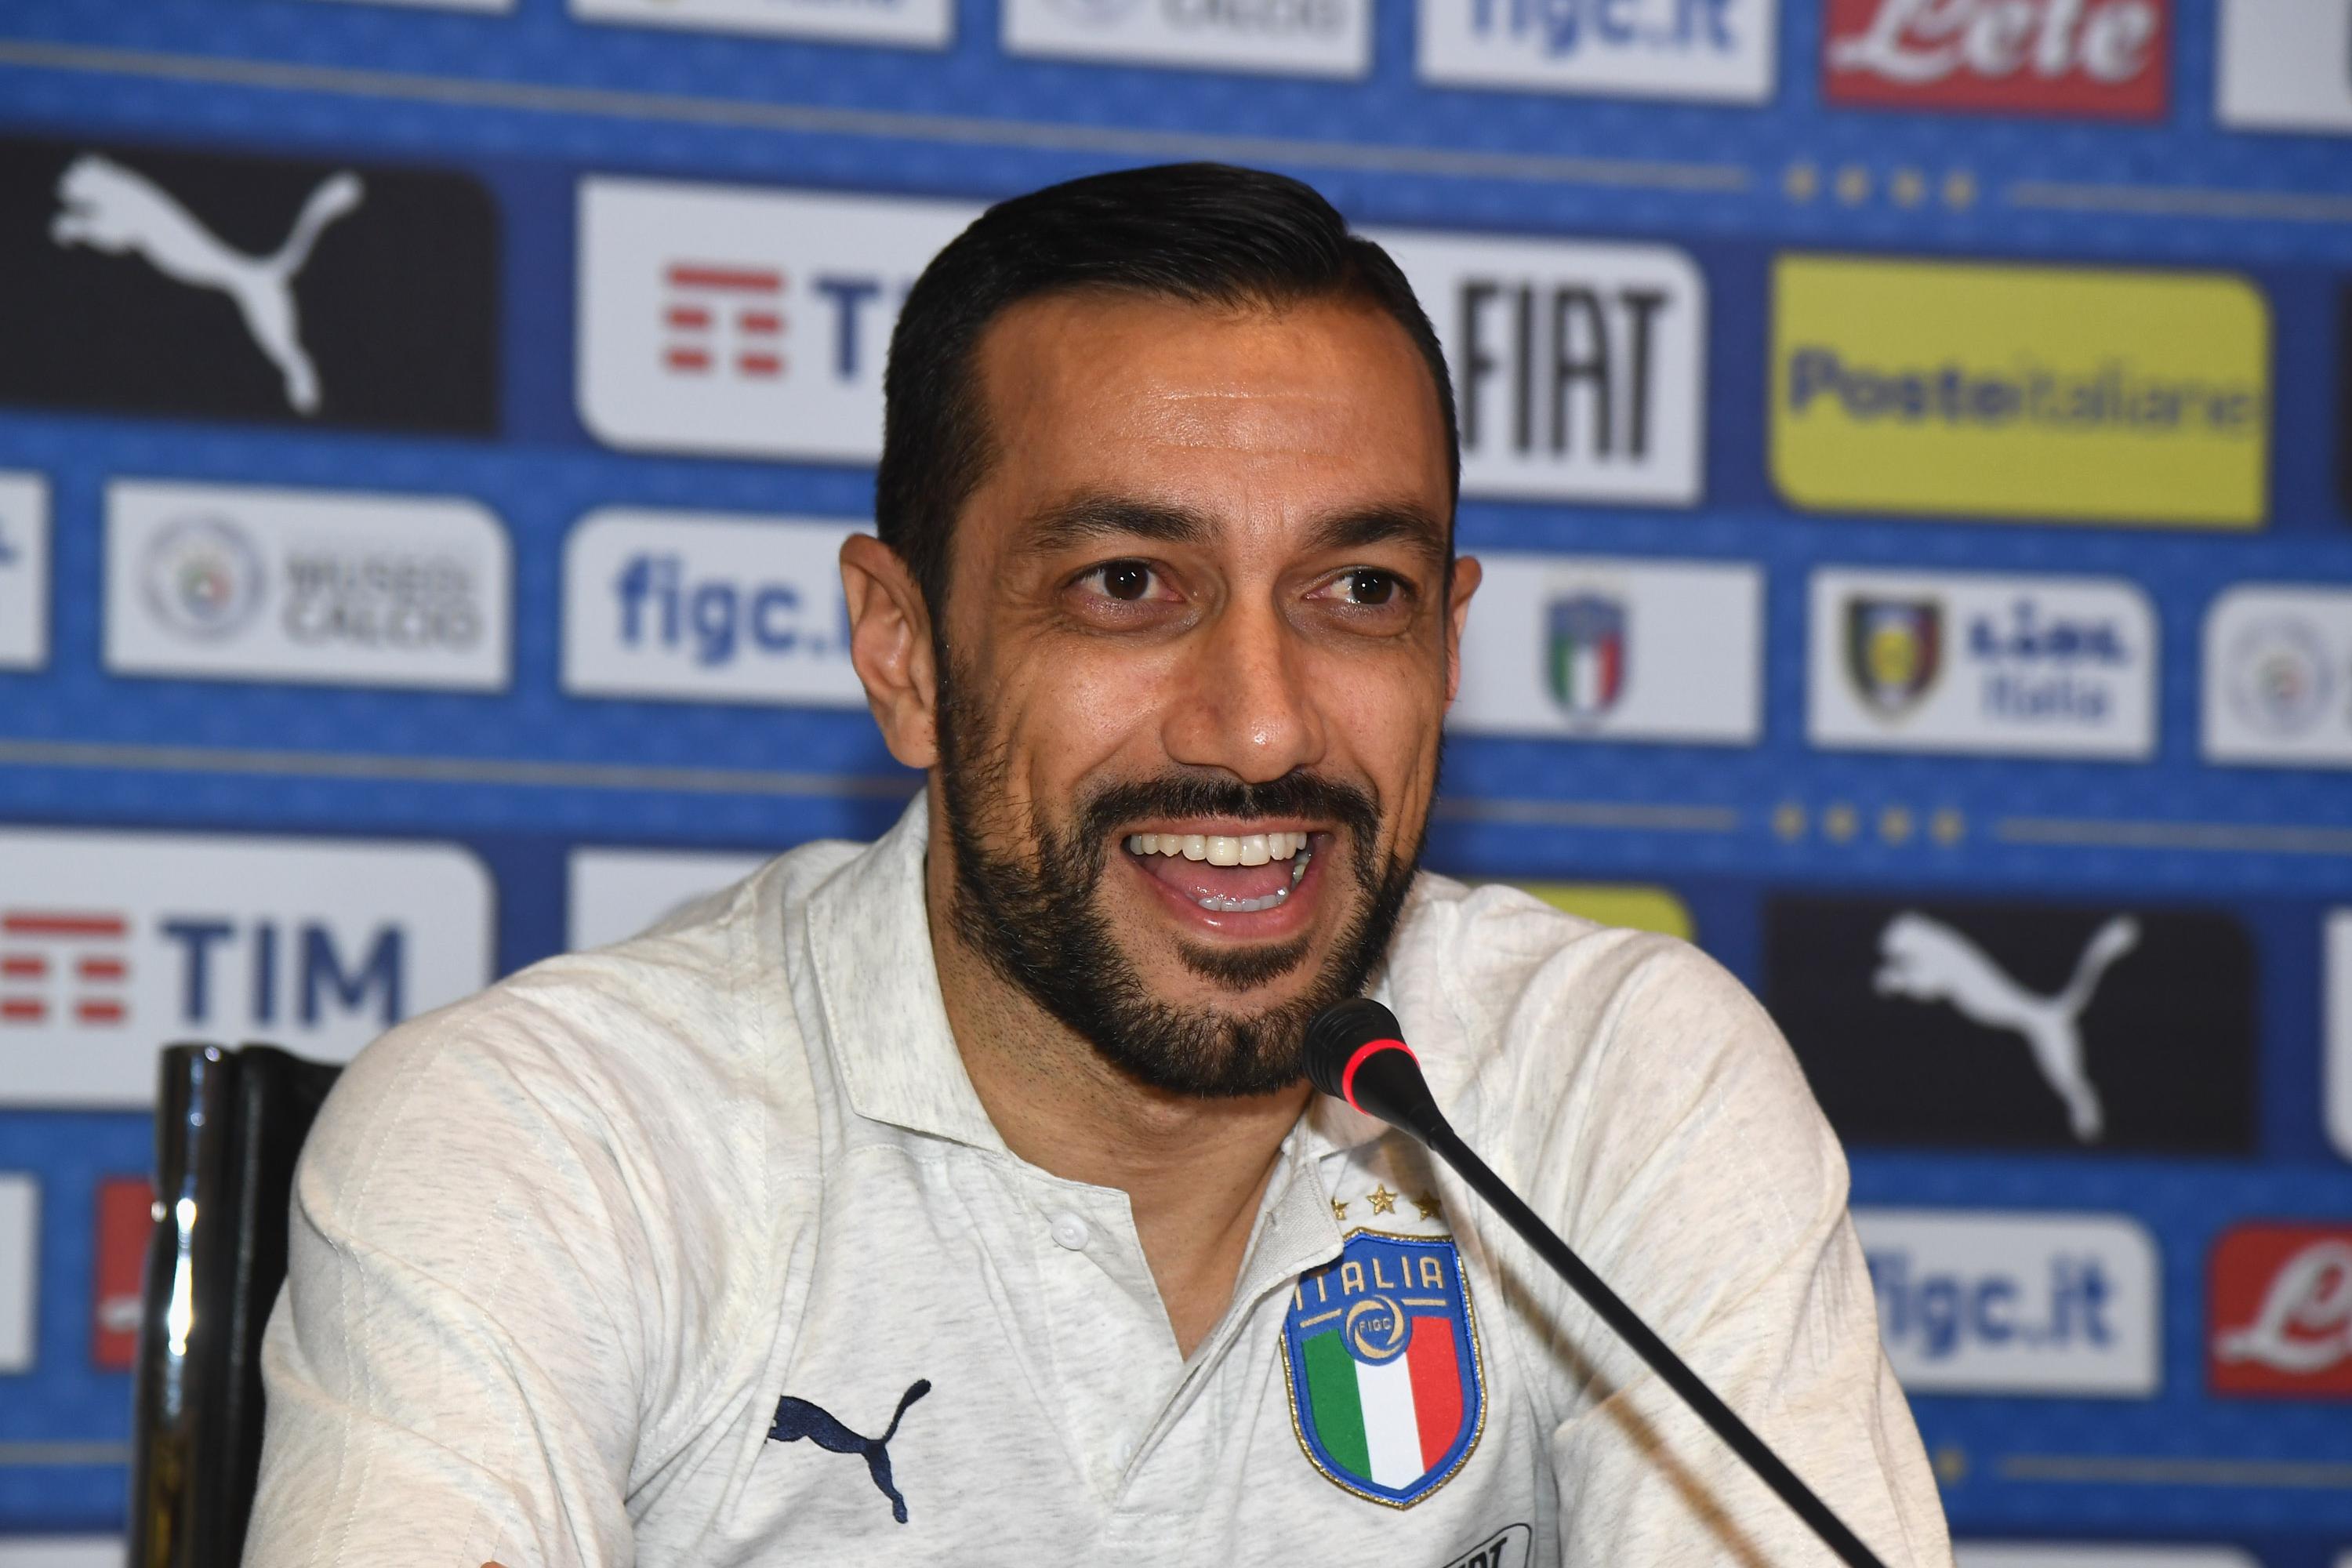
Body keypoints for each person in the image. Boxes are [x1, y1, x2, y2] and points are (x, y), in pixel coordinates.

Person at [244, 162, 1952, 1567]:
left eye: (1360, 590)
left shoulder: (1617, 1073)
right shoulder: (557, 1137)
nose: (1265, 727)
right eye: (1128, 583)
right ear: (906, 653)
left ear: (1448, 647)